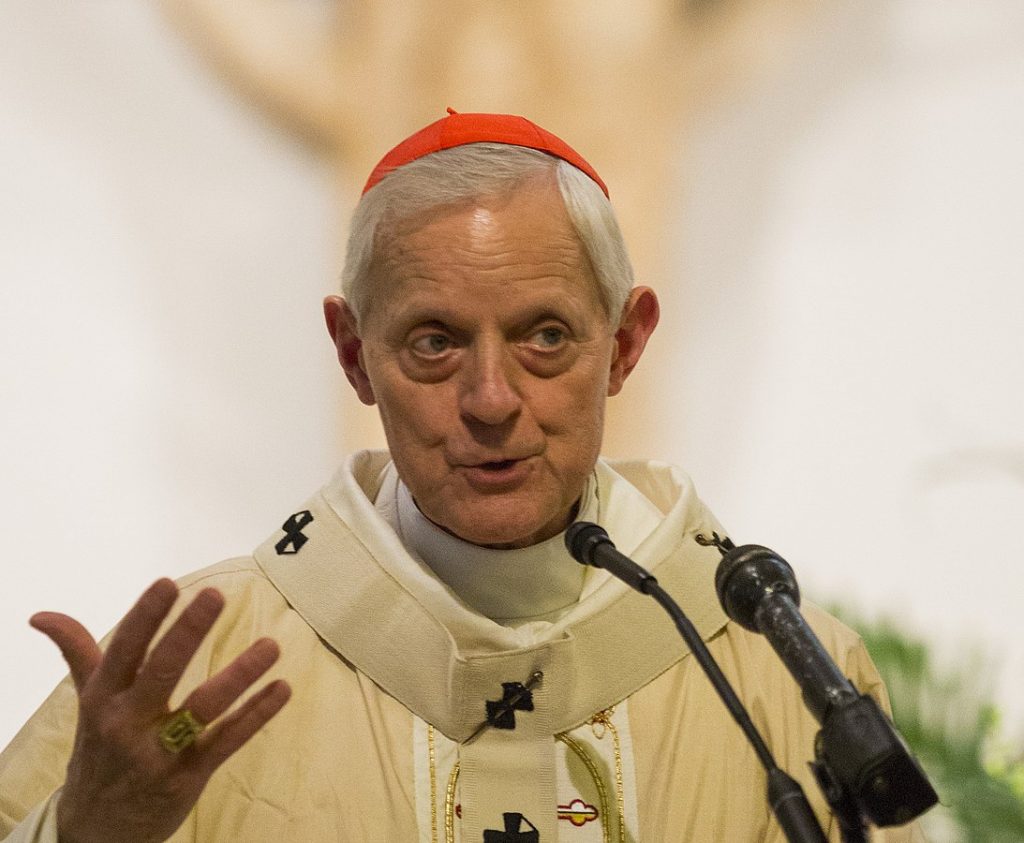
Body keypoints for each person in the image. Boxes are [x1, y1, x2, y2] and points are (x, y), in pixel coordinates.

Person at [0, 111, 926, 842]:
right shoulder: (187, 682)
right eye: (435, 342)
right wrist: (88, 833)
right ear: (355, 354)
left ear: (627, 342)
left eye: (545, 336)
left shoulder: (780, 672)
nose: (491, 399)